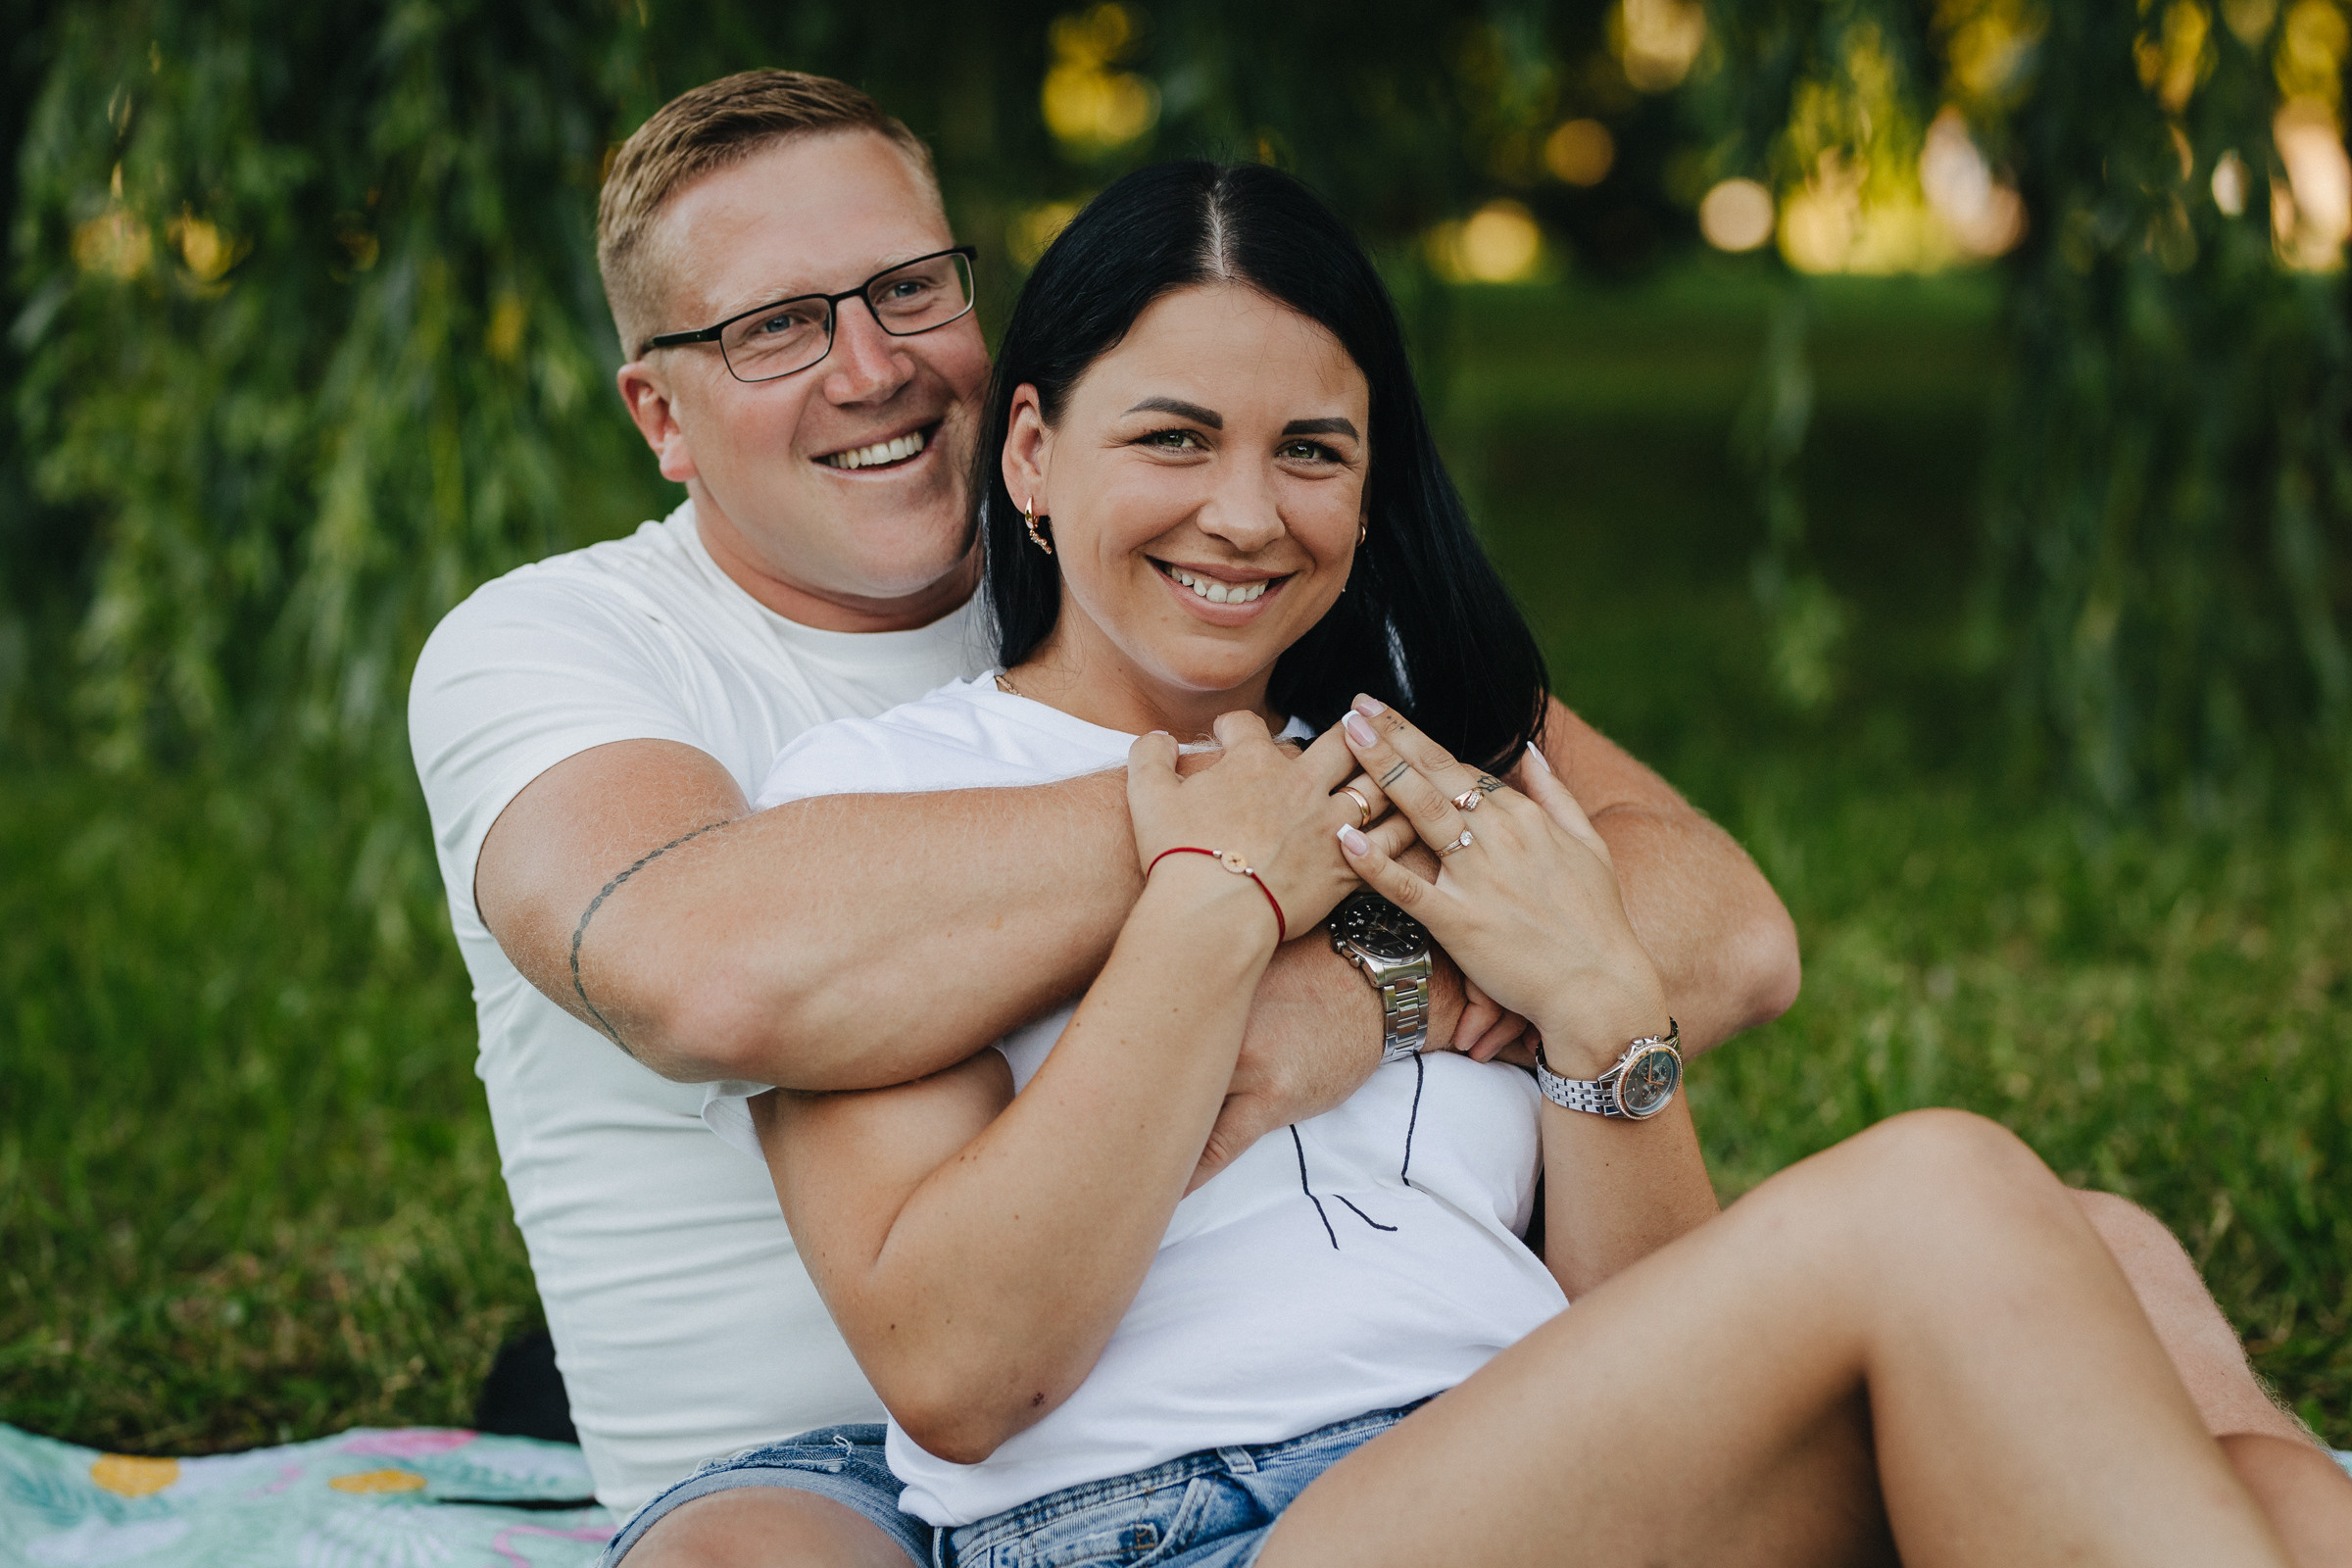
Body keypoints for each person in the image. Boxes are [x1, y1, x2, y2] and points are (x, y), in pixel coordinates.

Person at [403, 70, 2331, 1568]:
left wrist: (1578, 1020)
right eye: (1175, 439)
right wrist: (1225, 872)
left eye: (909, 290)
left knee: (2143, 1300)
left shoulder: (1389, 722)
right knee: (1943, 1197)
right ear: (1043, 452)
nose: (1244, 514)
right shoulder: (777, 763)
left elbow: (1701, 1001)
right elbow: (788, 1083)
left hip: (1507, 1437)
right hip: (1187, 1512)